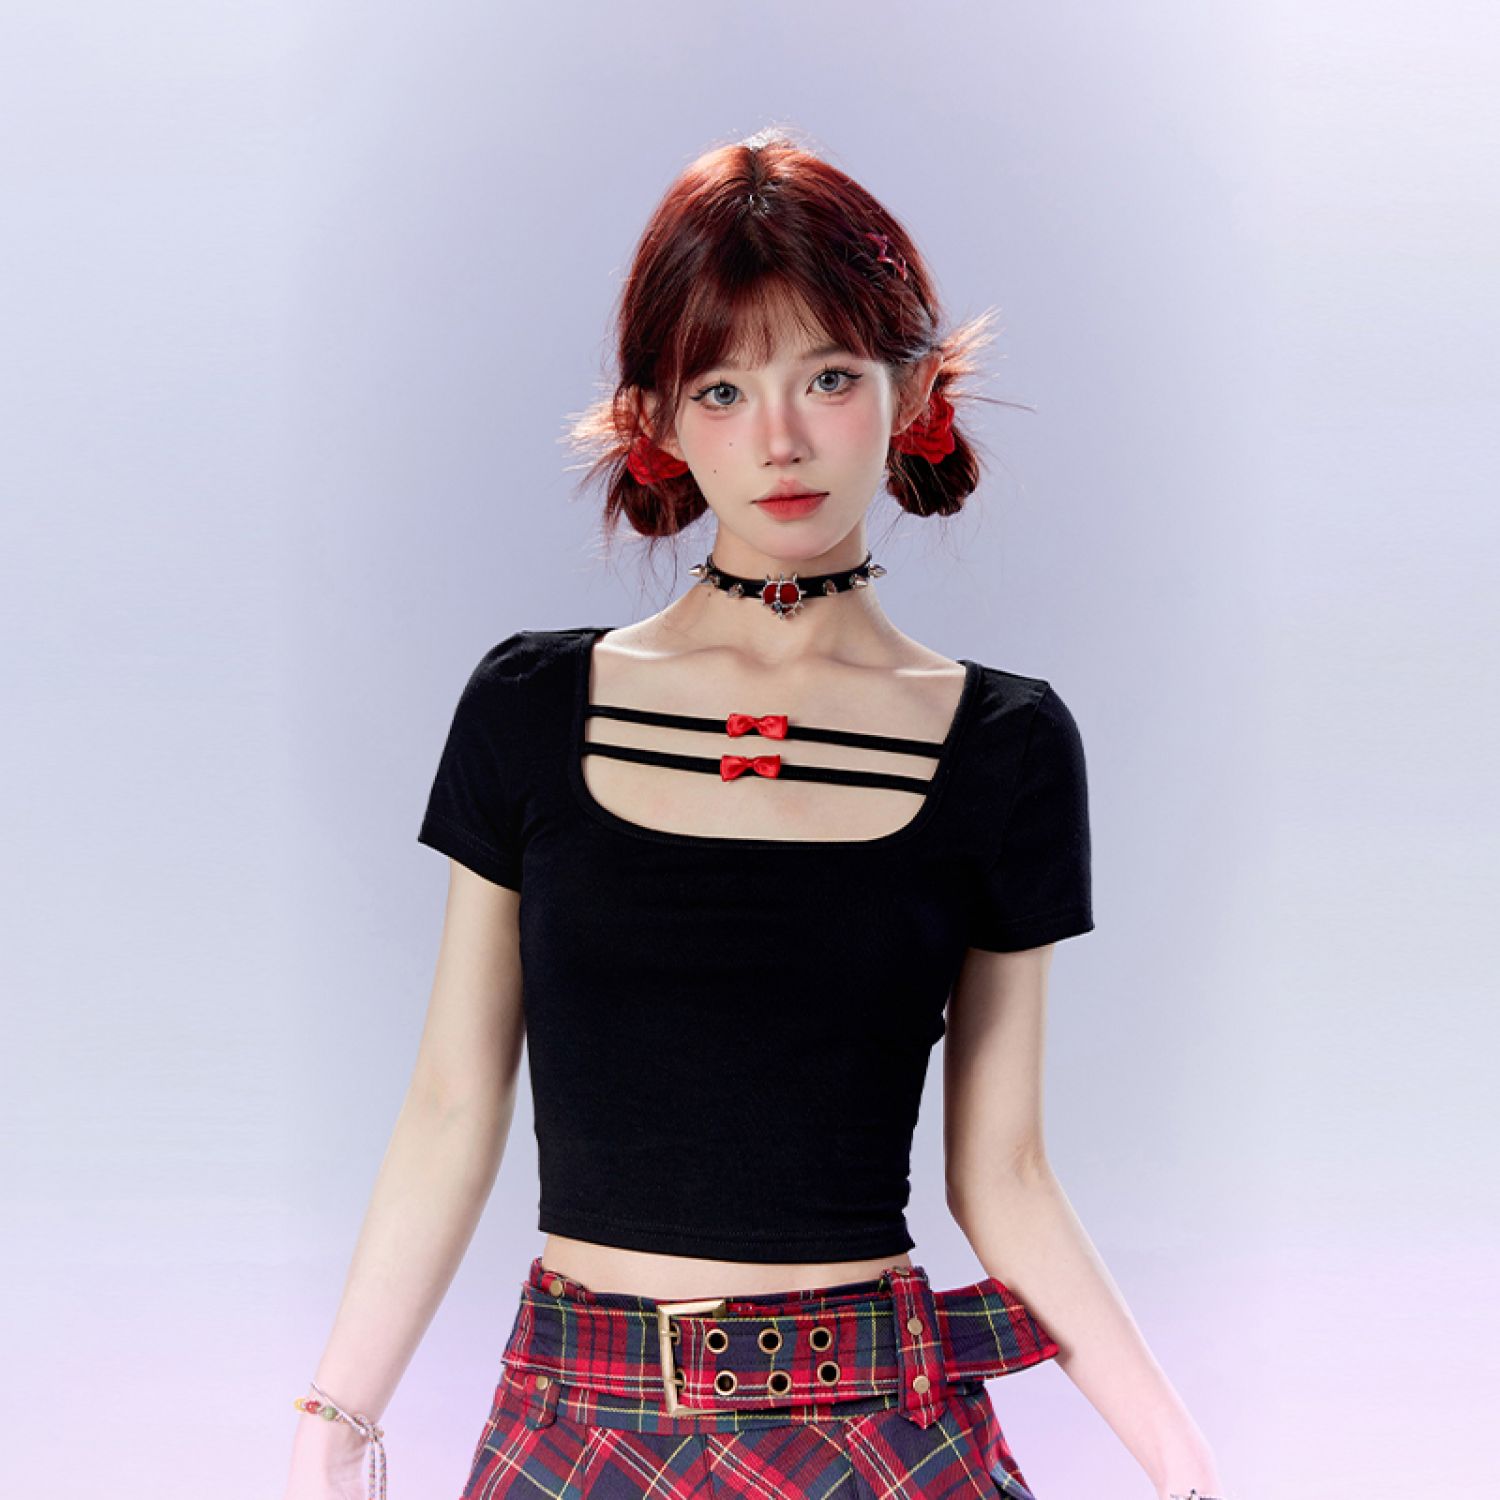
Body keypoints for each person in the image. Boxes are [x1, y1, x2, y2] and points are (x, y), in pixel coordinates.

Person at [281, 131, 1226, 1500]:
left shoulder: (1006, 747)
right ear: (656, 421)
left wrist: (1184, 1465)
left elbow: (1005, 1172)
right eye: (722, 390)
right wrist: (336, 1420)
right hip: (578, 1429)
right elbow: (449, 1104)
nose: (780, 440)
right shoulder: (530, 708)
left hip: (879, 1432)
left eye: (829, 378)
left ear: (911, 393)